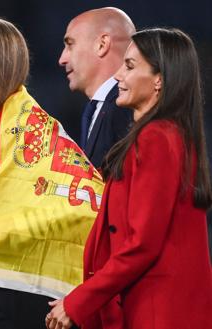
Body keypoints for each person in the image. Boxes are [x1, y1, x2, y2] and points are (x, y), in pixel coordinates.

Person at [0, 17, 104, 329]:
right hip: (13, 282)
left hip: (31, 291)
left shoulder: (27, 130)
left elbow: (89, 205)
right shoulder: (5, 129)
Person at [46, 28, 212, 329]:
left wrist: (79, 301)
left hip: (157, 313)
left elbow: (141, 243)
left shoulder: (157, 140)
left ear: (159, 80)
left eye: (130, 66)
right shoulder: (172, 136)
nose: (119, 75)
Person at [59, 7, 135, 168]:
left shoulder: (126, 109)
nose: (62, 59)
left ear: (102, 45)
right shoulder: (103, 108)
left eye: (70, 45)